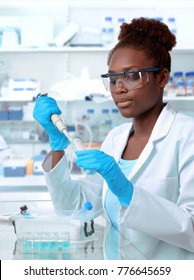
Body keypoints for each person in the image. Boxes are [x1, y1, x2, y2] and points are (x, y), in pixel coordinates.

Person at [33, 17, 194, 253]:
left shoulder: (187, 136)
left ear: (162, 77)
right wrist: (58, 147)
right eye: (113, 79)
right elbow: (77, 207)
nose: (119, 88)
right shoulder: (116, 138)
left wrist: (128, 193)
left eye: (132, 76)